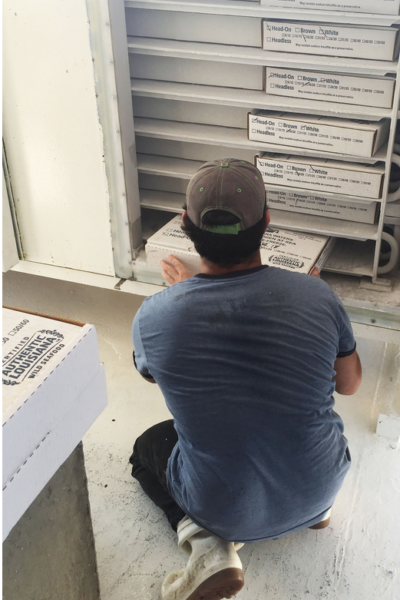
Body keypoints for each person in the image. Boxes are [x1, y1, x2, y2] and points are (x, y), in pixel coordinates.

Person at [130, 159, 362, 600]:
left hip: (227, 509)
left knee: (149, 447)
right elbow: (348, 385)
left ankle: (208, 545)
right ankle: (314, 512)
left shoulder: (156, 317)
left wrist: (184, 294)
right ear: (267, 223)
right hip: (322, 482)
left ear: (184, 225)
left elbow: (154, 375)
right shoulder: (315, 295)